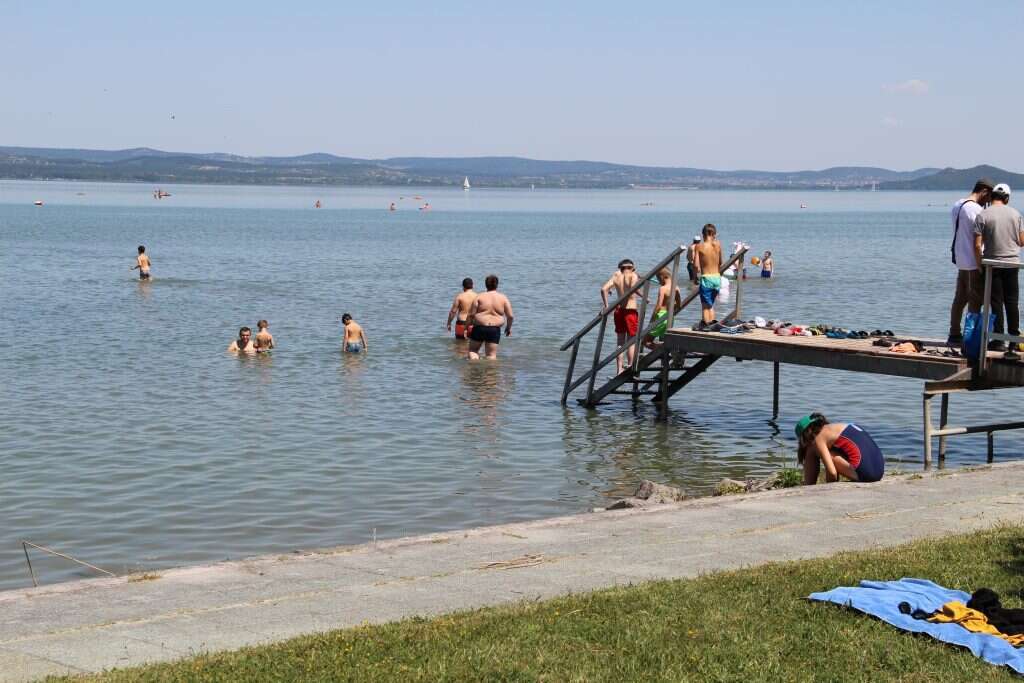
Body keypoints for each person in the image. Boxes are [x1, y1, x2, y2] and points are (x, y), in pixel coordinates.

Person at [974, 183, 1024, 357]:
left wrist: (979, 264)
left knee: (996, 303)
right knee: (1012, 303)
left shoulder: (983, 215)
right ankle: (1014, 342)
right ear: (1007, 198)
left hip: (992, 265)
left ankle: (998, 340)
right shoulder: (1016, 214)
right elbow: (1021, 241)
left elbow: (977, 244)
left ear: (992, 196)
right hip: (1012, 265)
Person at [948, 178, 994, 345]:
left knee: (959, 299)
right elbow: (979, 241)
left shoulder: (957, 205)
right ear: (984, 191)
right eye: (988, 198)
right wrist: (981, 263)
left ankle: (954, 334)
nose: (987, 202)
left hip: (960, 260)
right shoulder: (975, 210)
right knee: (975, 300)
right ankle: (971, 339)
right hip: (974, 261)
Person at [795, 413, 885, 485]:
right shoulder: (837, 428)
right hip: (879, 471)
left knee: (812, 449)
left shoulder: (818, 438)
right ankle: (808, 484)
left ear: (804, 436)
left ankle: (808, 485)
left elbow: (832, 473)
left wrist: (827, 489)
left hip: (868, 474)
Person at [601, 259, 640, 374]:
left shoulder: (616, 275)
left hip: (618, 311)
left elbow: (603, 289)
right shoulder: (633, 275)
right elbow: (633, 288)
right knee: (631, 340)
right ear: (632, 267)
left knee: (620, 342)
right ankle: (630, 366)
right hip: (630, 311)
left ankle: (619, 370)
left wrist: (607, 306)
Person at [467, 274, 514, 360]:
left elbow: (471, 315)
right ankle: (490, 372)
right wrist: (508, 328)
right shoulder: (503, 298)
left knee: (473, 351)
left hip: (479, 328)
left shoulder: (479, 297)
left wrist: (467, 328)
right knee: (491, 355)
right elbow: (510, 316)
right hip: (494, 329)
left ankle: (474, 368)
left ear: (486, 284)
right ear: (497, 285)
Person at [644, 267, 682, 348]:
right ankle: (665, 351)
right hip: (669, 317)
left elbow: (659, 305)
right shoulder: (676, 288)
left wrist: (652, 318)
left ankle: (663, 350)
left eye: (658, 279)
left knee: (646, 341)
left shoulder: (663, 289)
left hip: (660, 316)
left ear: (662, 277)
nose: (659, 282)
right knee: (664, 340)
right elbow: (679, 305)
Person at [693, 223, 723, 327]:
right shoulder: (718, 245)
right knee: (710, 305)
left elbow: (696, 266)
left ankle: (706, 326)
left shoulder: (699, 246)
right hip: (717, 278)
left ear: (703, 234)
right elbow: (720, 262)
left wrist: (695, 277)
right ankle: (712, 325)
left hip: (706, 279)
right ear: (713, 234)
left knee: (705, 306)